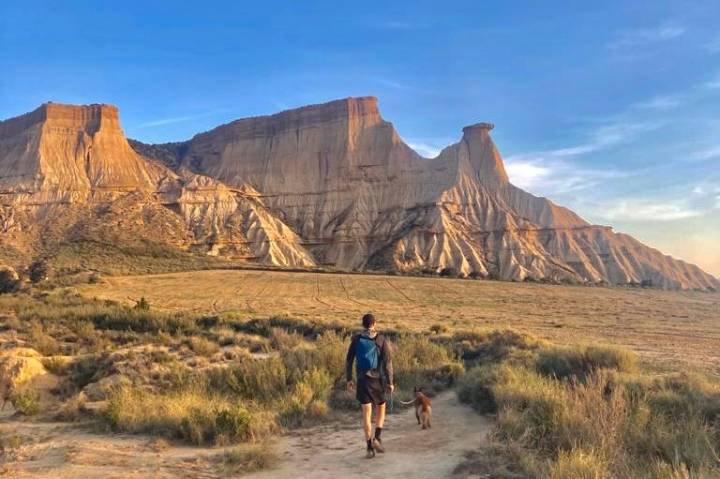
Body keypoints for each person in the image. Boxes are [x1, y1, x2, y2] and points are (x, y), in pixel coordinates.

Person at [345, 313, 394, 458]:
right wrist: (390, 382)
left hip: (362, 380)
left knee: (366, 415)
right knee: (381, 409)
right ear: (374, 323)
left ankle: (369, 448)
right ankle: (377, 438)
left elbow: (349, 360)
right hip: (377, 381)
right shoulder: (380, 339)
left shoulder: (356, 339)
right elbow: (388, 362)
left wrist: (349, 379)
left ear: (362, 324)